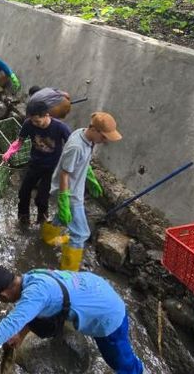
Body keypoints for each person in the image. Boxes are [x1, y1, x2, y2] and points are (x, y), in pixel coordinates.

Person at [0, 264, 144, 374]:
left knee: (122, 364)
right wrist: (20, 336)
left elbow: (11, 323)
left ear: (2, 294)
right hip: (95, 289)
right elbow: (32, 312)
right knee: (41, 316)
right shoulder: (31, 276)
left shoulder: (35, 295)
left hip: (108, 314)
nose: (2, 302)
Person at [42, 112, 121, 271]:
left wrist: (90, 177)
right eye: (104, 137)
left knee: (64, 218)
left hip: (75, 189)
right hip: (69, 193)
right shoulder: (76, 147)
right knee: (80, 234)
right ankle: (68, 273)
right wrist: (64, 200)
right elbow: (65, 173)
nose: (105, 141)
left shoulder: (82, 134)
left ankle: (48, 238)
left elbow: (81, 162)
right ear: (95, 130)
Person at [3, 99, 72, 225]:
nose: (35, 124)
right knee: (24, 191)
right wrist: (9, 152)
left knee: (42, 197)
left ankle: (42, 219)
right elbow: (20, 141)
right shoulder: (29, 124)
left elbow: (71, 145)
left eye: (37, 121)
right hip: (35, 163)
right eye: (33, 121)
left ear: (46, 115)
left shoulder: (60, 127)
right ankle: (23, 218)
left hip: (52, 167)